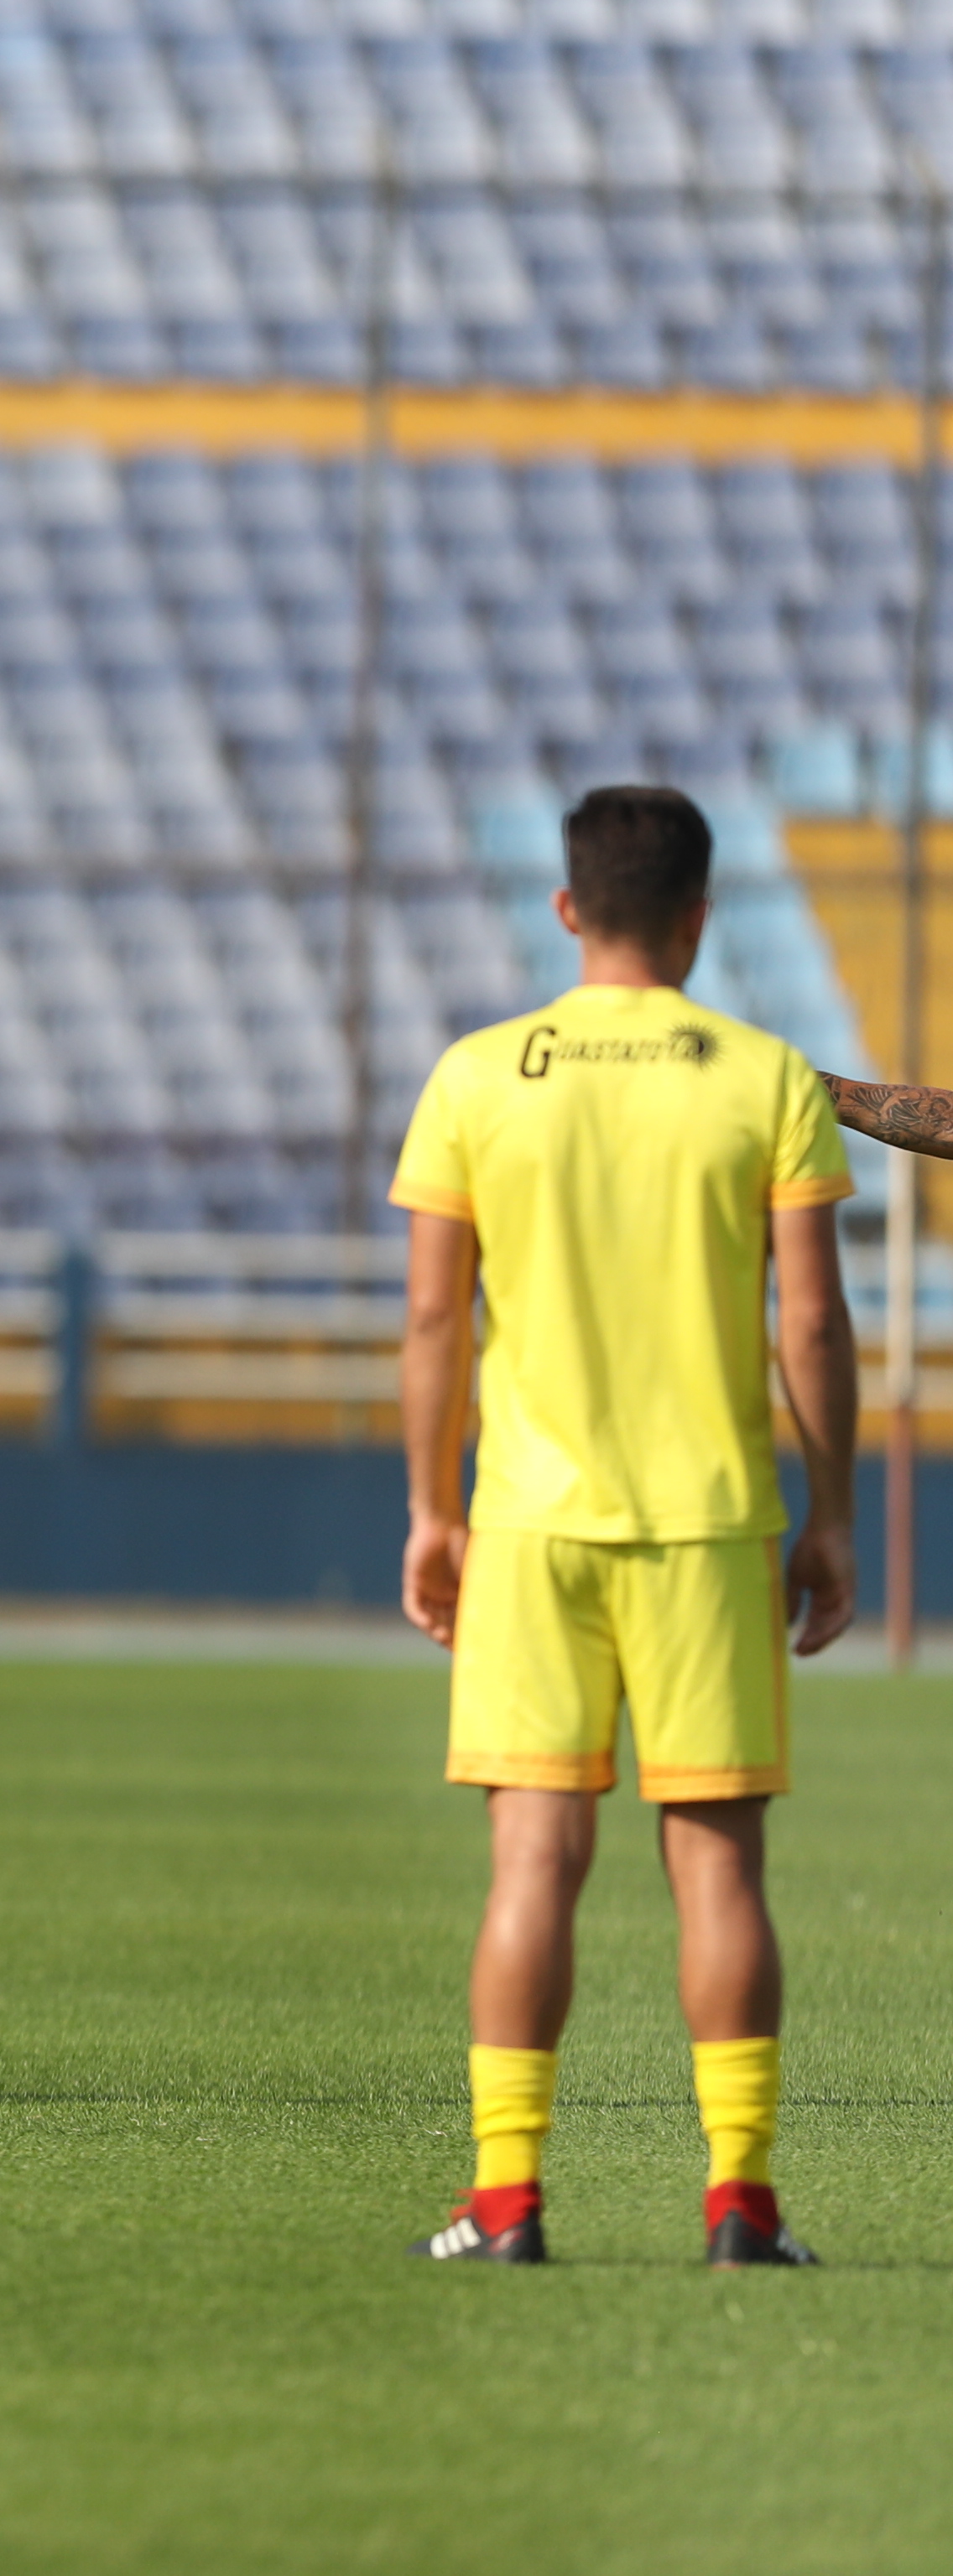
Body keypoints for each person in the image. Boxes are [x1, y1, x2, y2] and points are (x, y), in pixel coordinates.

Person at [390, 787, 846, 2270]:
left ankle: (509, 2203)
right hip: (712, 1524)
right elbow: (816, 1322)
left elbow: (431, 1320)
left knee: (533, 1868)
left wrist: (430, 1511)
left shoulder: (476, 1076)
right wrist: (829, 1510)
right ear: (703, 917)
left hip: (531, 1525)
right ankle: (741, 2205)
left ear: (568, 907)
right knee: (718, 1871)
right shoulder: (766, 1076)